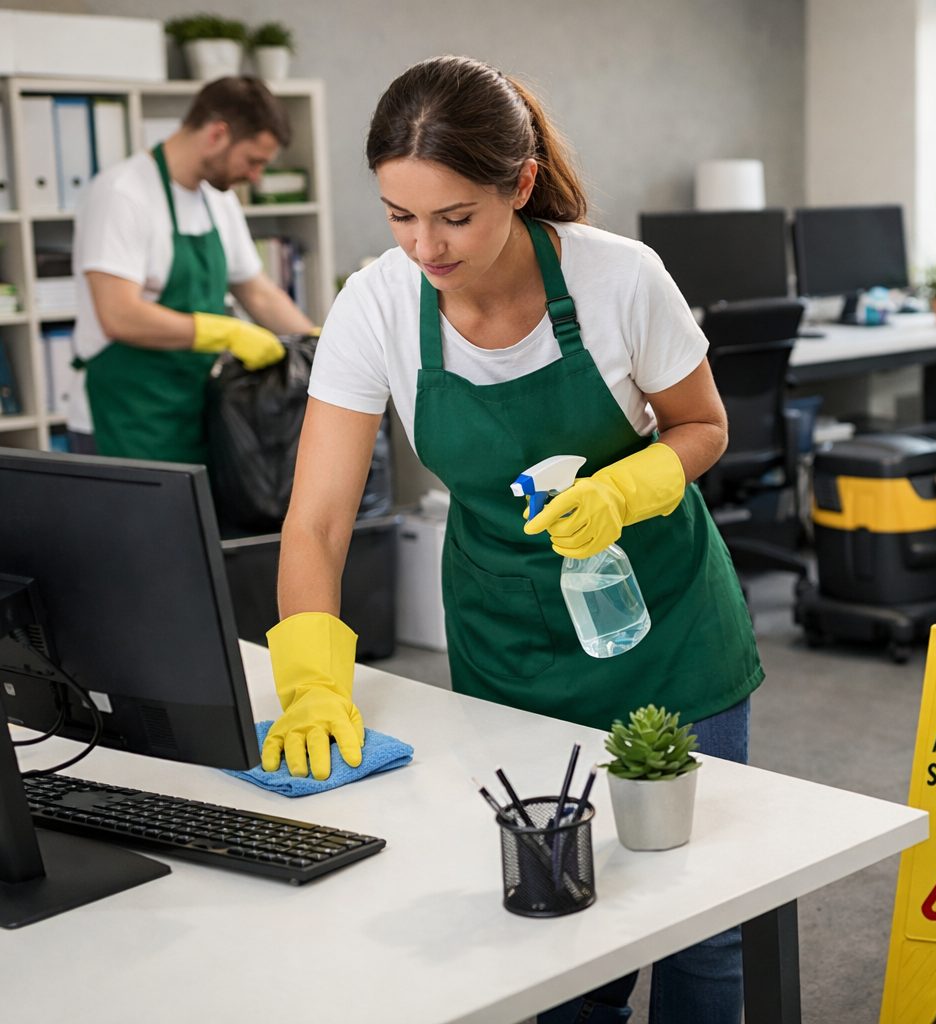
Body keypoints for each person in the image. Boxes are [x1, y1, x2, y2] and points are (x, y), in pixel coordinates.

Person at [265, 56, 762, 1024]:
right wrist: (313, 676)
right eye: (399, 216)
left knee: (700, 914)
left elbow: (704, 424)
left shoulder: (619, 277)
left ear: (520, 184)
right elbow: (318, 518)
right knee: (554, 923)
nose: (426, 247)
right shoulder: (377, 305)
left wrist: (629, 486)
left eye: (454, 216)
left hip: (665, 622)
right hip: (510, 643)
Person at [70, 76, 314, 462]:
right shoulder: (123, 195)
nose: (256, 177)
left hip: (195, 410)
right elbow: (118, 315)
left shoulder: (218, 201)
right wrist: (225, 331)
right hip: (127, 418)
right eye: (253, 161)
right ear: (218, 134)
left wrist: (317, 345)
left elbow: (257, 291)